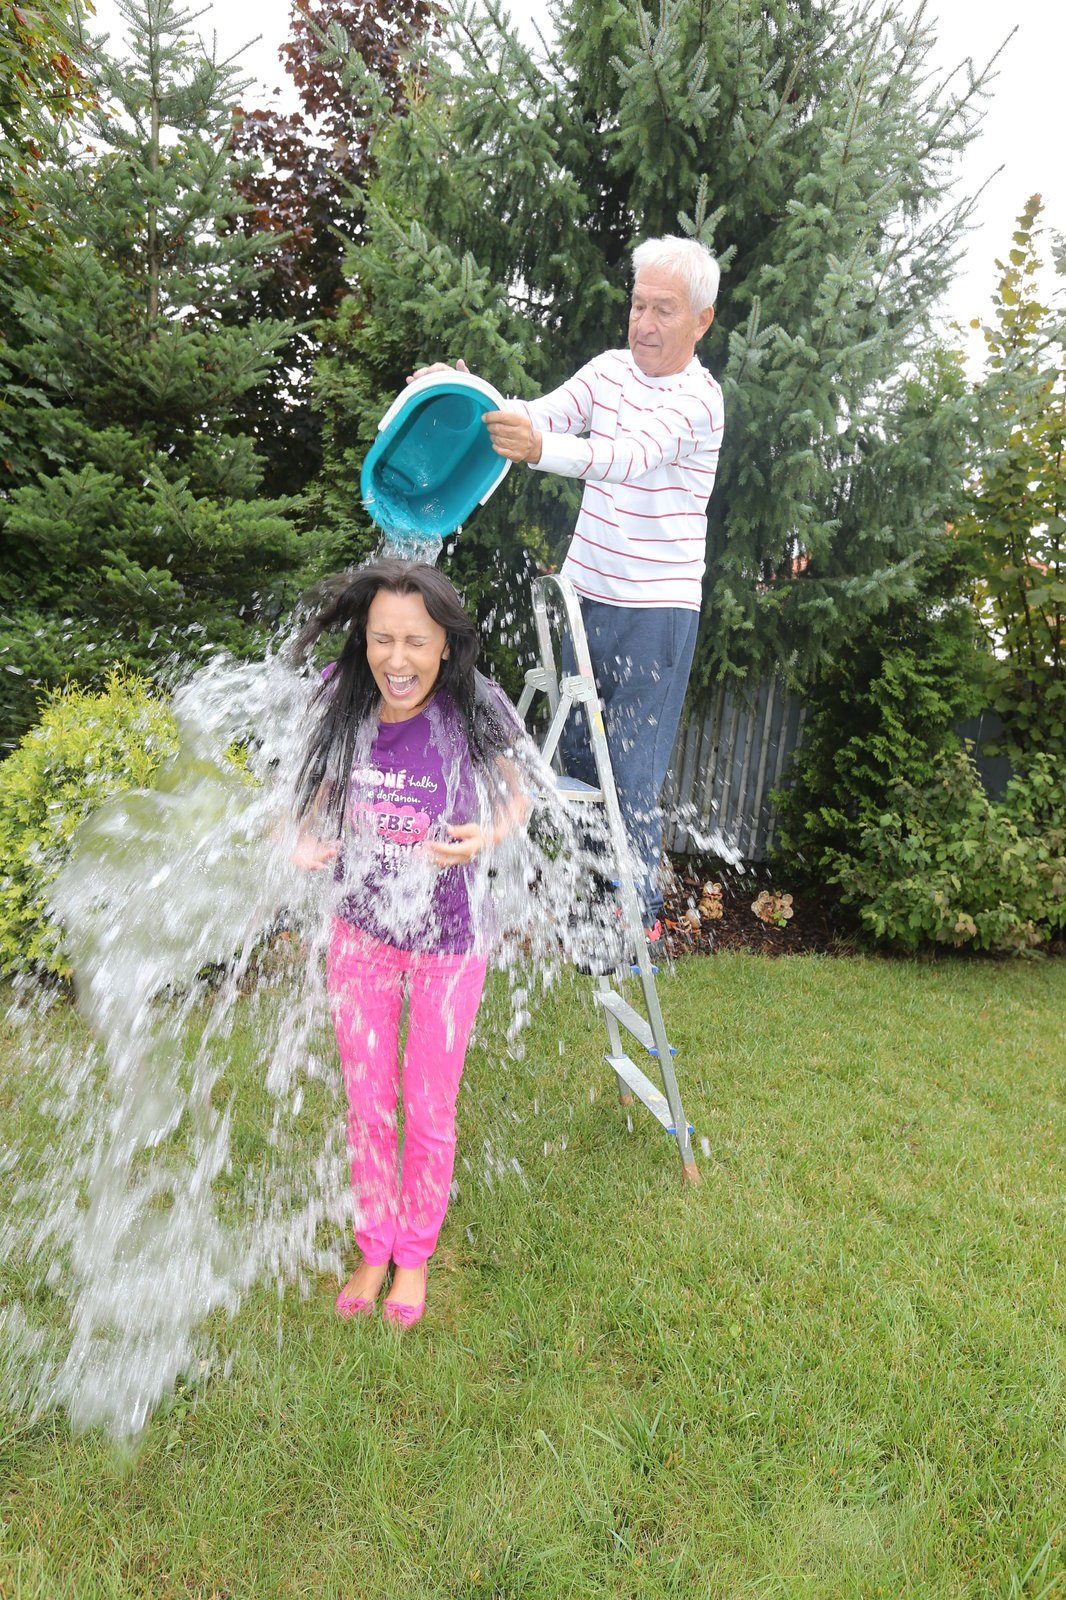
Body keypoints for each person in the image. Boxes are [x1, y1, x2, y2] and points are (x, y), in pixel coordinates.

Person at [413, 235, 724, 948]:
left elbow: (626, 460)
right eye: (638, 304)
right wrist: (467, 394)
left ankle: (631, 915)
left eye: (663, 310)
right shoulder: (611, 371)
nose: (643, 322)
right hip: (584, 598)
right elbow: (541, 412)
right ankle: (591, 897)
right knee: (581, 760)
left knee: (631, 770)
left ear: (701, 321)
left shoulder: (700, 402)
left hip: (656, 609)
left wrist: (541, 451)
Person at [291, 559, 527, 1328]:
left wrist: (486, 833)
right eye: (382, 640)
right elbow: (310, 783)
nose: (398, 660)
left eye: (416, 643)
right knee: (368, 1103)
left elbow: (518, 796)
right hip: (360, 935)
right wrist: (299, 835)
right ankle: (374, 1241)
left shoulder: (472, 703)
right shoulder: (344, 696)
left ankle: (414, 1255)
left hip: (450, 945)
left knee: (427, 1107)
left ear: (446, 646)